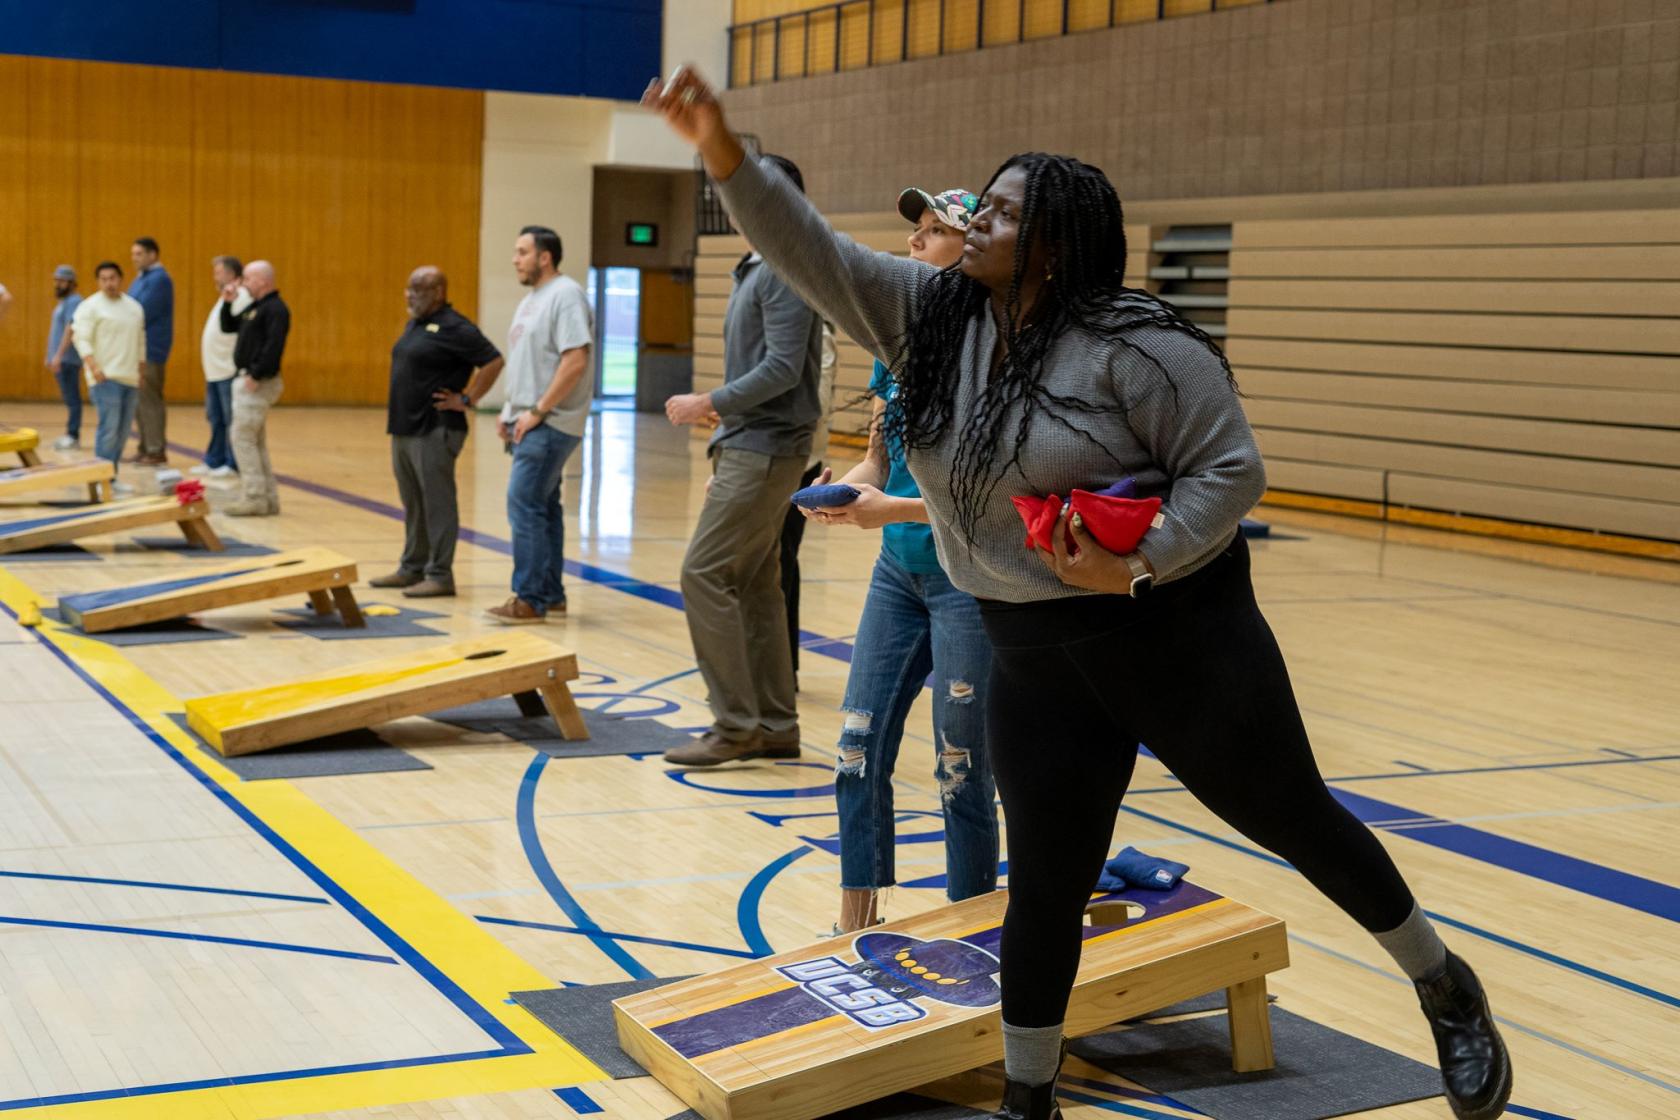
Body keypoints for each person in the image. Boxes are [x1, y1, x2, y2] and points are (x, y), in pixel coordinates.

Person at [644, 69, 1512, 1120]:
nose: (973, 216)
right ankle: (1029, 1098)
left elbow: (1229, 472)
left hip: (1178, 632)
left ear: (1054, 244)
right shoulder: (930, 317)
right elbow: (810, 251)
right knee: (1047, 880)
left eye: (1001, 210)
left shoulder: (1141, 345)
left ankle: (1441, 981)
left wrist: (1138, 558)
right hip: (1032, 652)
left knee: (1293, 817)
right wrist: (720, 149)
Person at [801, 184, 998, 936]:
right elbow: (878, 462)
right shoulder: (896, 346)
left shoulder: (994, 356)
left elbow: (992, 499)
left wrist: (892, 509)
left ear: (971, 248)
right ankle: (855, 926)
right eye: (913, 232)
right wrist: (845, 493)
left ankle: (973, 928)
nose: (914, 242)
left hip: (965, 580)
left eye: (930, 231)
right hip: (898, 575)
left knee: (960, 767)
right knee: (856, 747)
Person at [660, 152, 824, 767]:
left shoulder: (782, 267)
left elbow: (783, 370)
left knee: (702, 574)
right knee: (755, 583)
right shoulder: (758, 267)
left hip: (765, 450)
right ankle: (775, 725)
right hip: (751, 446)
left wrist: (712, 399)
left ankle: (734, 726)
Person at [373, 266, 504, 598]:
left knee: (437, 503)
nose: (409, 295)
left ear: (439, 293)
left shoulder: (455, 327)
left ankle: (440, 574)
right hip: (405, 427)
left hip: (436, 428)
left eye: (417, 289)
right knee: (413, 502)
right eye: (408, 288)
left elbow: (493, 361)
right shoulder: (416, 323)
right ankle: (411, 568)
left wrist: (468, 398)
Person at [485, 226, 594, 624]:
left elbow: (575, 359)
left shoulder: (565, 295)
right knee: (544, 506)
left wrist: (539, 411)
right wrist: (511, 410)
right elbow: (530, 363)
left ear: (544, 257)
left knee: (523, 502)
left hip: (551, 422)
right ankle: (550, 593)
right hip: (529, 419)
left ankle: (529, 599)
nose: (515, 259)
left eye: (522, 252)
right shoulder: (533, 299)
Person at [776, 318, 836, 684]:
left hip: (794, 459)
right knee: (770, 561)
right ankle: (774, 665)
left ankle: (780, 669)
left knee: (779, 560)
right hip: (768, 458)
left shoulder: (817, 332)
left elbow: (818, 403)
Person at [70, 262, 145, 491]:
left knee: (123, 432)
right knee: (109, 429)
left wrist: (140, 371)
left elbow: (141, 341)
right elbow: (80, 338)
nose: (109, 283)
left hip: (130, 377)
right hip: (105, 378)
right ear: (98, 281)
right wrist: (93, 367)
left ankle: (111, 476)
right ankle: (100, 480)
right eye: (103, 279)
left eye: (112, 278)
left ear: (121, 279)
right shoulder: (89, 307)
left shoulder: (134, 307)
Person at [223, 260, 290, 517]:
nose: (243, 282)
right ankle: (268, 498)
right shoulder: (256, 307)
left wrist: (257, 374)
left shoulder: (276, 309)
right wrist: (228, 302)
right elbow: (229, 326)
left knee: (242, 439)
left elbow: (274, 346)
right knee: (255, 441)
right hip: (250, 380)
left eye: (248, 278)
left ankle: (253, 497)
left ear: (263, 280)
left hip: (258, 382)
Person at [195, 255, 250, 478]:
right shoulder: (224, 297)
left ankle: (232, 462)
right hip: (214, 370)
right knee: (215, 418)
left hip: (227, 368)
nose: (214, 277)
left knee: (230, 419)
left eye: (219, 272)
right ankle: (214, 459)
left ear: (232, 274)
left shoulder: (241, 296)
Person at [128, 236, 174, 465]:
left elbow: (139, 309)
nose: (134, 259)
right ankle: (145, 445)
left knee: (149, 399)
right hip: (136, 349)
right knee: (138, 400)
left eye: (139, 254)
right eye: (133, 254)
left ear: (152, 255)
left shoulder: (160, 280)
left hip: (151, 348)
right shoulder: (142, 278)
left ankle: (156, 449)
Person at [45, 265, 84, 450]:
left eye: (61, 280)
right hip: (60, 359)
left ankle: (73, 434)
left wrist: (59, 356)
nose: (57, 284)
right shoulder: (64, 302)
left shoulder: (74, 301)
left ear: (71, 282)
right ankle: (71, 433)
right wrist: (50, 356)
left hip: (68, 359)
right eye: (56, 280)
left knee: (72, 398)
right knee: (69, 397)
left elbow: (71, 328)